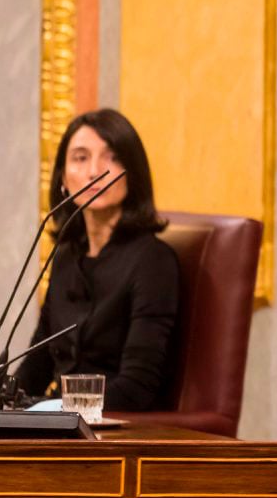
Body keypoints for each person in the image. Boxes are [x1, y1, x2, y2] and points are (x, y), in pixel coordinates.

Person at [15, 108, 179, 412]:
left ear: (133, 173)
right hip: (61, 424)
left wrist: (51, 408)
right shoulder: (66, 256)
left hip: (117, 434)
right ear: (63, 177)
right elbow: (38, 361)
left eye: (112, 157)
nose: (95, 171)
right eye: (80, 157)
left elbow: (137, 386)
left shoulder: (153, 262)